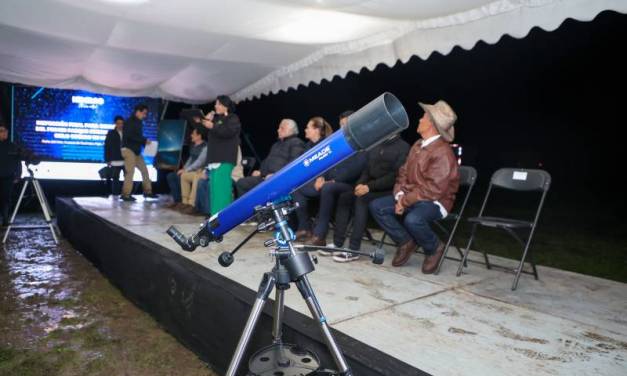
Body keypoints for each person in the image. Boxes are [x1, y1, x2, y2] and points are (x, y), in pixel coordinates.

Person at [370, 100, 460, 274]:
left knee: (413, 219)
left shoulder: (442, 152)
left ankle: (434, 247)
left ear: (431, 124)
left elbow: (433, 190)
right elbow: (402, 173)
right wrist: (399, 196)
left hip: (435, 202)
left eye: (423, 117)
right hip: (413, 197)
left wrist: (404, 201)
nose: (419, 120)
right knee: (377, 206)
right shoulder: (418, 145)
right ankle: (406, 241)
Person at [331, 134, 410, 262]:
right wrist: (360, 184)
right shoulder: (377, 143)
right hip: (368, 187)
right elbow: (366, 170)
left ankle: (353, 249)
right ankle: (337, 243)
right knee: (345, 197)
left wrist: (368, 187)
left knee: (362, 200)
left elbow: (395, 177)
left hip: (388, 190)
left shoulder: (403, 147)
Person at [235, 119, 304, 197]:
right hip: (266, 178)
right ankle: (248, 208)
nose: (278, 130)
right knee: (242, 183)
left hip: (280, 179)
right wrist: (260, 171)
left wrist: (276, 175)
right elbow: (267, 161)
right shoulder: (276, 145)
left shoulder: (296, 143)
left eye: (282, 128)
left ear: (290, 130)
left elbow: (293, 164)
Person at [292, 117, 334, 241]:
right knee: (295, 188)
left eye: (308, 127)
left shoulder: (327, 144)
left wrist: (323, 178)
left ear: (316, 130)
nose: (305, 130)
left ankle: (305, 227)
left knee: (296, 189)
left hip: (324, 183)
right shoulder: (307, 146)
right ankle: (303, 227)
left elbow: (331, 164)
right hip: (309, 182)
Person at [198, 95, 241, 215]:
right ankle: (214, 216)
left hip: (225, 159)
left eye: (218, 104)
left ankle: (223, 217)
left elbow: (227, 132)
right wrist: (205, 122)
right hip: (214, 159)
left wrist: (213, 126)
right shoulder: (216, 119)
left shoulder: (233, 118)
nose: (215, 106)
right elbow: (203, 134)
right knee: (214, 190)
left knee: (222, 189)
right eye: (216, 104)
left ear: (224, 106)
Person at [166, 128, 207, 214]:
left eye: (193, 134)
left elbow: (199, 162)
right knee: (173, 176)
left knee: (189, 176)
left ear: (199, 136)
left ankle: (191, 204)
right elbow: (190, 159)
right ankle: (182, 202)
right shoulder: (193, 146)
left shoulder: (205, 147)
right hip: (190, 170)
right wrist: (184, 169)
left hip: (198, 171)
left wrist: (187, 170)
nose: (191, 135)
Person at [120, 104, 157, 201]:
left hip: (136, 151)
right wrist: (144, 140)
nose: (145, 116)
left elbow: (137, 138)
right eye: (144, 113)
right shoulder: (129, 122)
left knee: (145, 170)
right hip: (128, 150)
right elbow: (130, 136)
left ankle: (148, 192)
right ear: (138, 111)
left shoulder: (139, 122)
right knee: (130, 172)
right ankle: (126, 194)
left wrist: (146, 144)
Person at [0, 123, 20, 226]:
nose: (4, 133)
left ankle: (5, 219)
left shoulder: (13, 146)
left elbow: (18, 162)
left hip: (8, 177)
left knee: (6, 198)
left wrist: (18, 175)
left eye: (6, 131)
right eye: (2, 131)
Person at [103, 115, 125, 196]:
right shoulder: (111, 133)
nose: (120, 125)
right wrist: (107, 159)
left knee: (128, 177)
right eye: (118, 123)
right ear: (115, 123)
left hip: (126, 159)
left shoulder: (126, 133)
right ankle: (115, 195)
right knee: (115, 178)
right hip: (115, 159)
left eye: (122, 123)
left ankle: (126, 194)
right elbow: (106, 146)